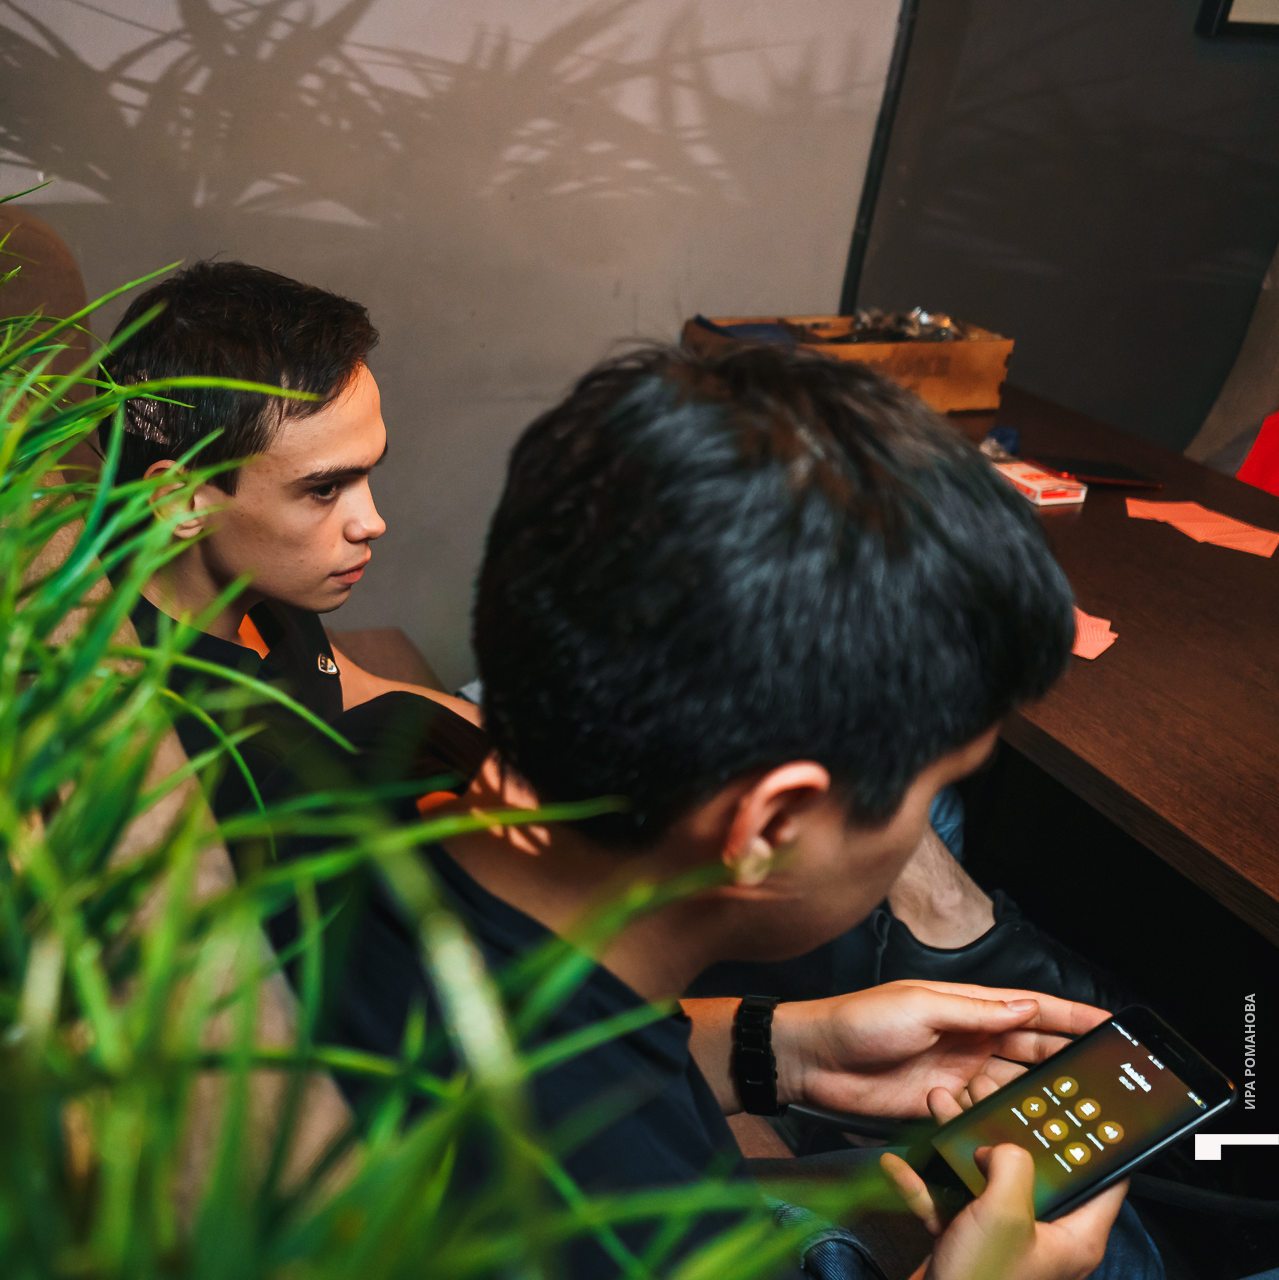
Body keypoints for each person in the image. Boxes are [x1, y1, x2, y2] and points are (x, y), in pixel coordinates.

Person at [259, 342, 1168, 1279]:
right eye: (928, 788)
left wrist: (787, 1051)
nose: (920, 825)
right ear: (771, 827)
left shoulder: (346, 824)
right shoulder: (624, 1232)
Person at [96, 261, 477, 810]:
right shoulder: (193, 748)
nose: (371, 522)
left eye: (366, 474)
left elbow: (349, 685)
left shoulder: (258, 583)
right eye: (324, 489)